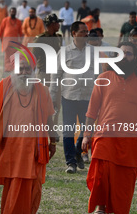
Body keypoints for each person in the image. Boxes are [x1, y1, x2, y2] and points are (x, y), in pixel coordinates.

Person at [0, 51, 56, 214]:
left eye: (27, 69)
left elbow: (49, 117)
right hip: (10, 148)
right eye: (20, 69)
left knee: (31, 186)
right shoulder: (4, 86)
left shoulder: (42, 90)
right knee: (12, 186)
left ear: (33, 70)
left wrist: (54, 141)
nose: (23, 73)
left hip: (34, 148)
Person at [82, 41, 137, 214]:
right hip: (105, 135)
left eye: (129, 53)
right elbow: (92, 110)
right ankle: (101, 207)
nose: (125, 56)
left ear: (136, 57)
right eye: (122, 53)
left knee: (124, 182)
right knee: (101, 176)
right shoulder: (103, 78)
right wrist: (86, 135)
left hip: (130, 140)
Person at [50, 21, 94, 173]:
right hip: (68, 96)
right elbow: (56, 76)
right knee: (68, 130)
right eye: (82, 31)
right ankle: (71, 163)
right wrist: (52, 98)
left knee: (87, 129)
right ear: (74, 33)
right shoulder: (64, 52)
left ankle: (77, 151)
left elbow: (100, 75)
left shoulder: (94, 52)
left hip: (88, 97)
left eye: (87, 31)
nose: (86, 34)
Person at [33, 13, 63, 125]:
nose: (59, 25)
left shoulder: (59, 37)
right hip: (43, 73)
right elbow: (33, 58)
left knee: (56, 103)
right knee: (41, 102)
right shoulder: (40, 39)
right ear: (51, 24)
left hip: (56, 74)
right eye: (57, 23)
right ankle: (40, 126)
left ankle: (53, 129)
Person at [0, 7, 23, 71]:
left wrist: (22, 40)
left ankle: (15, 68)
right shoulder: (5, 20)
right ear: (9, 12)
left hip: (15, 42)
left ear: (16, 13)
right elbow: (1, 29)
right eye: (11, 12)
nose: (13, 13)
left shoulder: (19, 22)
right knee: (7, 56)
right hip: (7, 41)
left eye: (14, 12)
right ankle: (7, 68)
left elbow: (20, 33)